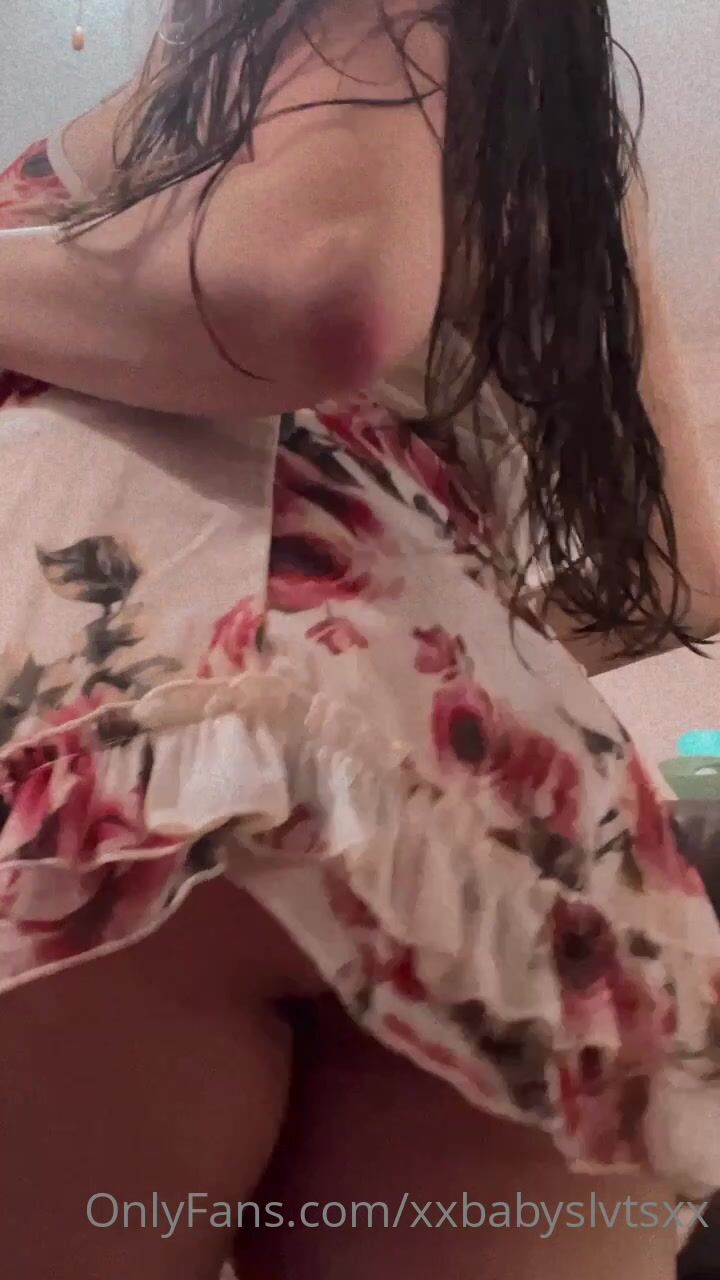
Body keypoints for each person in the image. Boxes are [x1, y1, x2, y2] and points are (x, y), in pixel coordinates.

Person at [0, 2, 718, 1277]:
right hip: (499, 861)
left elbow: (314, 287)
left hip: (134, 770)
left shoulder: (252, 59)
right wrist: (431, 697)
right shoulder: (551, 132)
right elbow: (681, 569)